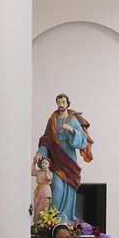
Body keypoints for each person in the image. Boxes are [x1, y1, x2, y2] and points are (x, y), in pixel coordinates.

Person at [34, 93, 94, 221]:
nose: (61, 105)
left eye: (63, 102)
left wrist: (71, 130)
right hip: (56, 158)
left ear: (67, 104)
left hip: (69, 158)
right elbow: (46, 139)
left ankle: (66, 219)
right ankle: (54, 219)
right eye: (59, 102)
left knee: (70, 188)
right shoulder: (52, 120)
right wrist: (41, 152)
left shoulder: (73, 120)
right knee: (57, 187)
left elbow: (83, 140)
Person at [31, 156, 53, 223]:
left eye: (46, 163)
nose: (43, 164)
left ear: (49, 165)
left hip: (45, 189)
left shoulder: (49, 172)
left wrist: (46, 172)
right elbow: (32, 172)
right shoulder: (39, 172)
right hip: (39, 189)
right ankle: (36, 222)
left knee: (44, 206)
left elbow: (49, 178)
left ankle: (42, 222)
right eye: (43, 163)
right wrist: (34, 163)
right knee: (37, 205)